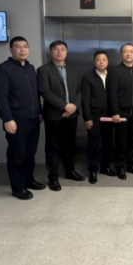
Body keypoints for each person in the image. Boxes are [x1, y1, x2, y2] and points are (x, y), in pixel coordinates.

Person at [0, 36, 45, 200]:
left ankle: (29, 180)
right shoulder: (2, 70)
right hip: (16, 120)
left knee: (30, 152)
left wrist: (40, 111)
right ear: (11, 50)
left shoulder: (30, 68)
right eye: (18, 47)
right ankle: (18, 187)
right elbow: (0, 97)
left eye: (25, 46)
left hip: (33, 118)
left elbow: (36, 93)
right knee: (17, 153)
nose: (22, 50)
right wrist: (7, 119)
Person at [37, 40, 85, 192]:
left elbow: (80, 90)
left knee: (69, 144)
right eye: (56, 49)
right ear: (51, 52)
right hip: (53, 114)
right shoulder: (43, 70)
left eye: (62, 49)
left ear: (66, 51)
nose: (59, 52)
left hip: (72, 114)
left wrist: (73, 107)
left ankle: (70, 171)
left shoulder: (75, 69)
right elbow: (45, 92)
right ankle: (53, 177)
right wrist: (65, 106)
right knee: (53, 146)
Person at [107, 43, 133, 180]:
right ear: (121, 54)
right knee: (121, 141)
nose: (129, 54)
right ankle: (120, 166)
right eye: (125, 51)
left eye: (131, 51)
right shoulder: (115, 72)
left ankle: (131, 165)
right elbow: (112, 94)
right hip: (121, 114)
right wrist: (115, 112)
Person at [82, 50, 110, 184]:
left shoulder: (112, 76)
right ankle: (92, 169)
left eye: (104, 59)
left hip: (109, 116)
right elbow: (85, 99)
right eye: (98, 60)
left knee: (107, 143)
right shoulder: (88, 77)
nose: (101, 62)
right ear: (94, 62)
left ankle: (105, 167)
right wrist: (87, 117)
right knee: (93, 144)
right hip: (94, 116)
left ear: (108, 61)